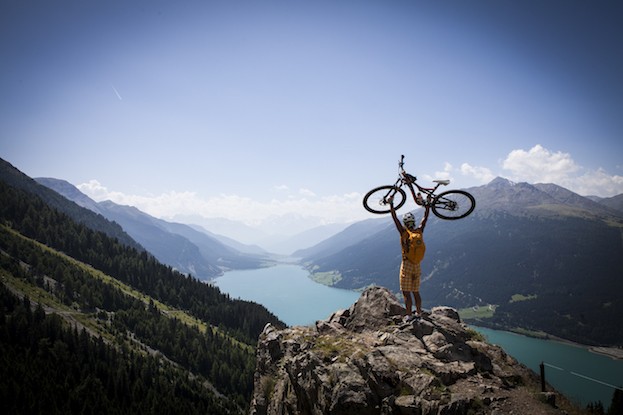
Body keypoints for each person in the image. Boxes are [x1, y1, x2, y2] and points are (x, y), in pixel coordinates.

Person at [389, 196, 430, 322]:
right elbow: (425, 219)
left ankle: (409, 316)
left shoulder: (403, 233)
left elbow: (395, 218)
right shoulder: (419, 231)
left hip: (406, 265)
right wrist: (427, 205)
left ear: (405, 223)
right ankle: (418, 313)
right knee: (416, 292)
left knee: (406, 293)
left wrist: (391, 204)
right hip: (417, 265)